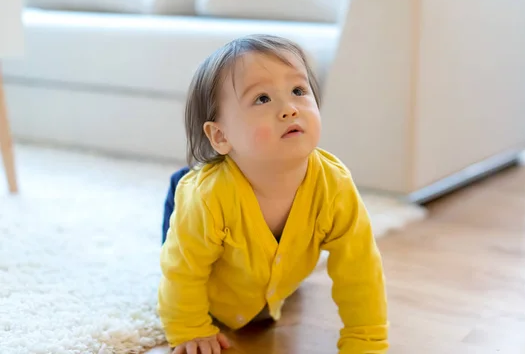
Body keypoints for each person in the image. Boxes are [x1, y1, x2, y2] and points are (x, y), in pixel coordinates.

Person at [158, 34, 388, 354]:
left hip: (266, 283)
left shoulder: (335, 186)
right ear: (221, 135)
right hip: (212, 282)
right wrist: (189, 327)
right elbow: (181, 271)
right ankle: (184, 182)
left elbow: (360, 267)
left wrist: (366, 340)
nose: (289, 109)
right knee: (186, 200)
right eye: (263, 98)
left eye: (298, 90)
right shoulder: (208, 199)